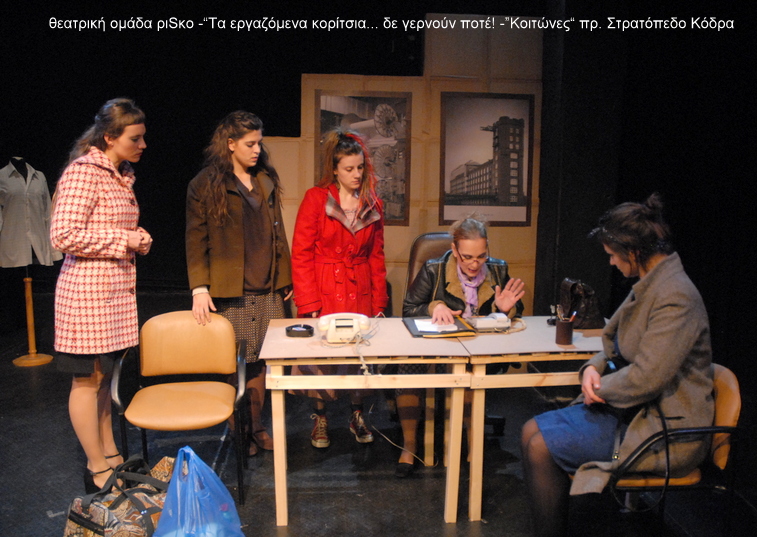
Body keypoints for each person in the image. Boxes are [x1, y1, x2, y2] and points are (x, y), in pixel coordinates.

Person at [519, 193, 714, 537]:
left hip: (660, 432)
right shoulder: (651, 285)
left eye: (612, 255)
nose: (611, 263)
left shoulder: (675, 296)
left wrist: (599, 389)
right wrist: (592, 369)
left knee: (540, 446)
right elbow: (613, 342)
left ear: (633, 252)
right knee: (530, 430)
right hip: (632, 412)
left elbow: (648, 378)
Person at [50, 98, 152, 493]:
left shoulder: (119, 174)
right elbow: (63, 236)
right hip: (86, 297)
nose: (143, 145)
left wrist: (136, 238)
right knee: (86, 382)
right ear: (110, 137)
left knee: (105, 380)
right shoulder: (84, 172)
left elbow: (105, 227)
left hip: (111, 295)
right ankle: (95, 467)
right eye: (135, 138)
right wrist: (123, 239)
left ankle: (110, 453)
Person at [186, 111, 292, 456]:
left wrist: (285, 276)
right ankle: (240, 430)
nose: (257, 149)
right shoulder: (205, 184)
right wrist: (199, 287)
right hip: (231, 288)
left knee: (261, 360)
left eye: (259, 143)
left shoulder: (264, 179)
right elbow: (196, 239)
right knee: (234, 362)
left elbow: (278, 231)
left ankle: (257, 426)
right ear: (230, 144)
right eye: (250, 144)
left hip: (267, 284)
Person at [399, 215, 525, 477]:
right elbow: (409, 309)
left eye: (481, 256)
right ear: (454, 250)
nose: (474, 264)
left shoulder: (498, 270)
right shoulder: (434, 269)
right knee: (407, 369)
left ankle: (472, 446)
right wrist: (435, 306)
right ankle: (409, 445)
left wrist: (504, 310)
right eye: (467, 257)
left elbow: (516, 308)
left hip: (477, 349)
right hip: (437, 349)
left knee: (470, 372)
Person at [291, 128, 388, 449]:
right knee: (321, 357)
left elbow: (376, 255)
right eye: (349, 169)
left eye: (360, 167)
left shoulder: (372, 203)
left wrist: (379, 302)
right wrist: (308, 302)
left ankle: (356, 415)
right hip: (325, 288)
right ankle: (320, 418)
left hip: (359, 289)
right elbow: (301, 253)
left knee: (358, 356)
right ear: (334, 169)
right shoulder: (316, 199)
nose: (356, 174)